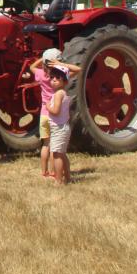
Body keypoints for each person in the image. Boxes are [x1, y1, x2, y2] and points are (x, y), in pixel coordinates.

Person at [25, 48, 81, 179]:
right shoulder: (60, 77)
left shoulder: (41, 74)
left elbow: (31, 67)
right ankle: (54, 172)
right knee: (54, 147)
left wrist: (43, 59)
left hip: (44, 115)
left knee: (46, 145)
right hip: (55, 116)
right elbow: (78, 69)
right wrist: (60, 64)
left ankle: (44, 171)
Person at [46, 65, 74, 185]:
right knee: (62, 154)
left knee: (57, 155)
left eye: (58, 78)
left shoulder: (58, 94)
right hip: (62, 127)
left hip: (59, 128)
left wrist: (48, 106)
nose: (54, 80)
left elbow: (56, 111)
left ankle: (58, 180)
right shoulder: (63, 93)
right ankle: (67, 177)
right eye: (52, 77)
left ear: (65, 81)